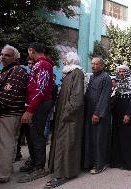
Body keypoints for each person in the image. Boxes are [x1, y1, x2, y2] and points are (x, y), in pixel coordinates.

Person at [0, 45, 28, 186]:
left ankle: (1, 175)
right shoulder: (6, 71)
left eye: (7, 55)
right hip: (0, 114)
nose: (2, 56)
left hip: (7, 114)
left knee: (3, 145)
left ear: (15, 58)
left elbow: (6, 97)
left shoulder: (16, 71)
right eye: (1, 54)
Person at [46, 52, 85, 188]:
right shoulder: (68, 73)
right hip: (63, 115)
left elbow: (77, 98)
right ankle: (57, 170)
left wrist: (66, 113)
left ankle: (65, 173)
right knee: (60, 143)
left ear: (71, 60)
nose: (64, 61)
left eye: (66, 59)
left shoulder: (77, 73)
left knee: (67, 143)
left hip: (70, 117)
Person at [18, 42, 54, 183]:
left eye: (29, 52)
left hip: (39, 105)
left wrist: (30, 109)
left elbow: (41, 89)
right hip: (35, 104)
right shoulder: (40, 64)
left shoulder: (43, 65)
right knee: (31, 136)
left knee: (37, 135)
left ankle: (39, 167)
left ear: (31, 51)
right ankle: (34, 163)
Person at [84, 57, 112, 174]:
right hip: (89, 112)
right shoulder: (92, 77)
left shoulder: (106, 78)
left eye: (96, 64)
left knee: (99, 139)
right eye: (92, 64)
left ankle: (100, 164)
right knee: (90, 139)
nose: (93, 66)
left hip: (99, 115)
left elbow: (104, 97)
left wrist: (97, 114)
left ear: (102, 66)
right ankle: (90, 162)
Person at [110, 65, 131, 170]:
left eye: (123, 71)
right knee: (118, 138)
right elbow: (115, 98)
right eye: (120, 71)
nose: (121, 73)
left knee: (127, 139)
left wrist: (128, 114)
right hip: (118, 114)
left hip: (128, 116)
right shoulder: (119, 83)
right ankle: (119, 162)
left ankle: (129, 163)